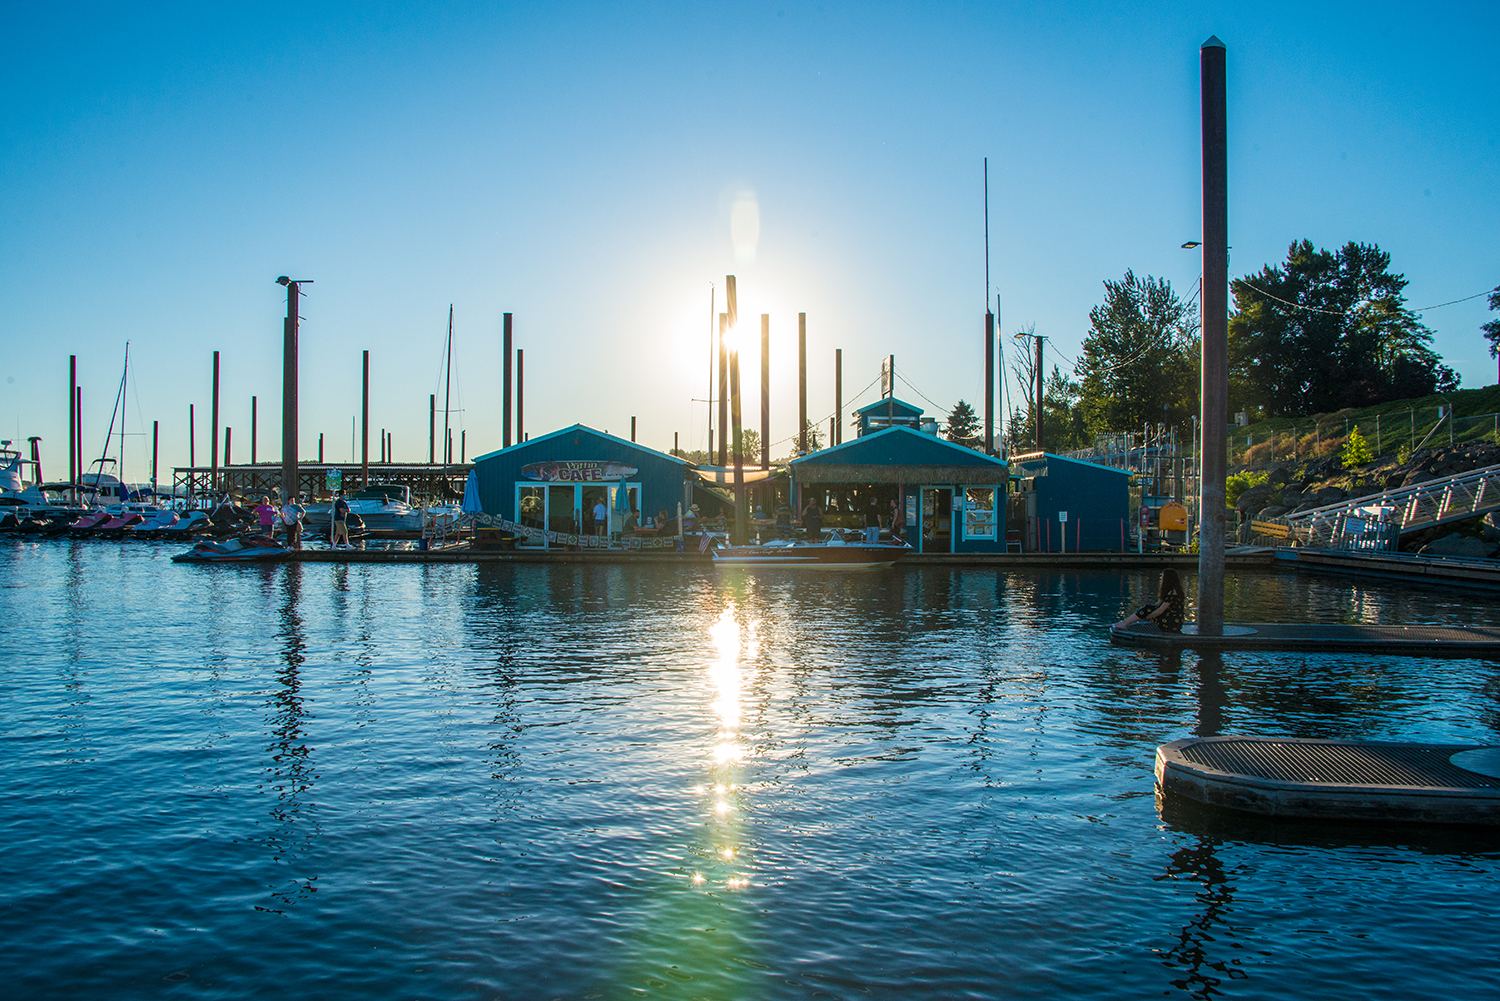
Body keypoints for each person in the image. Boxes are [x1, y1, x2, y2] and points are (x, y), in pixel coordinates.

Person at [1114, 568, 1186, 632]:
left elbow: (1160, 611)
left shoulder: (1173, 593)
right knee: (1148, 608)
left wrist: (1147, 617)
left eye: (1162, 577)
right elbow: (1157, 605)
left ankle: (1125, 623)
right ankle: (1125, 622)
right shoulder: (1168, 591)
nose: (1161, 579)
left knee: (1148, 609)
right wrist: (1146, 614)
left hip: (1172, 622)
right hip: (1169, 618)